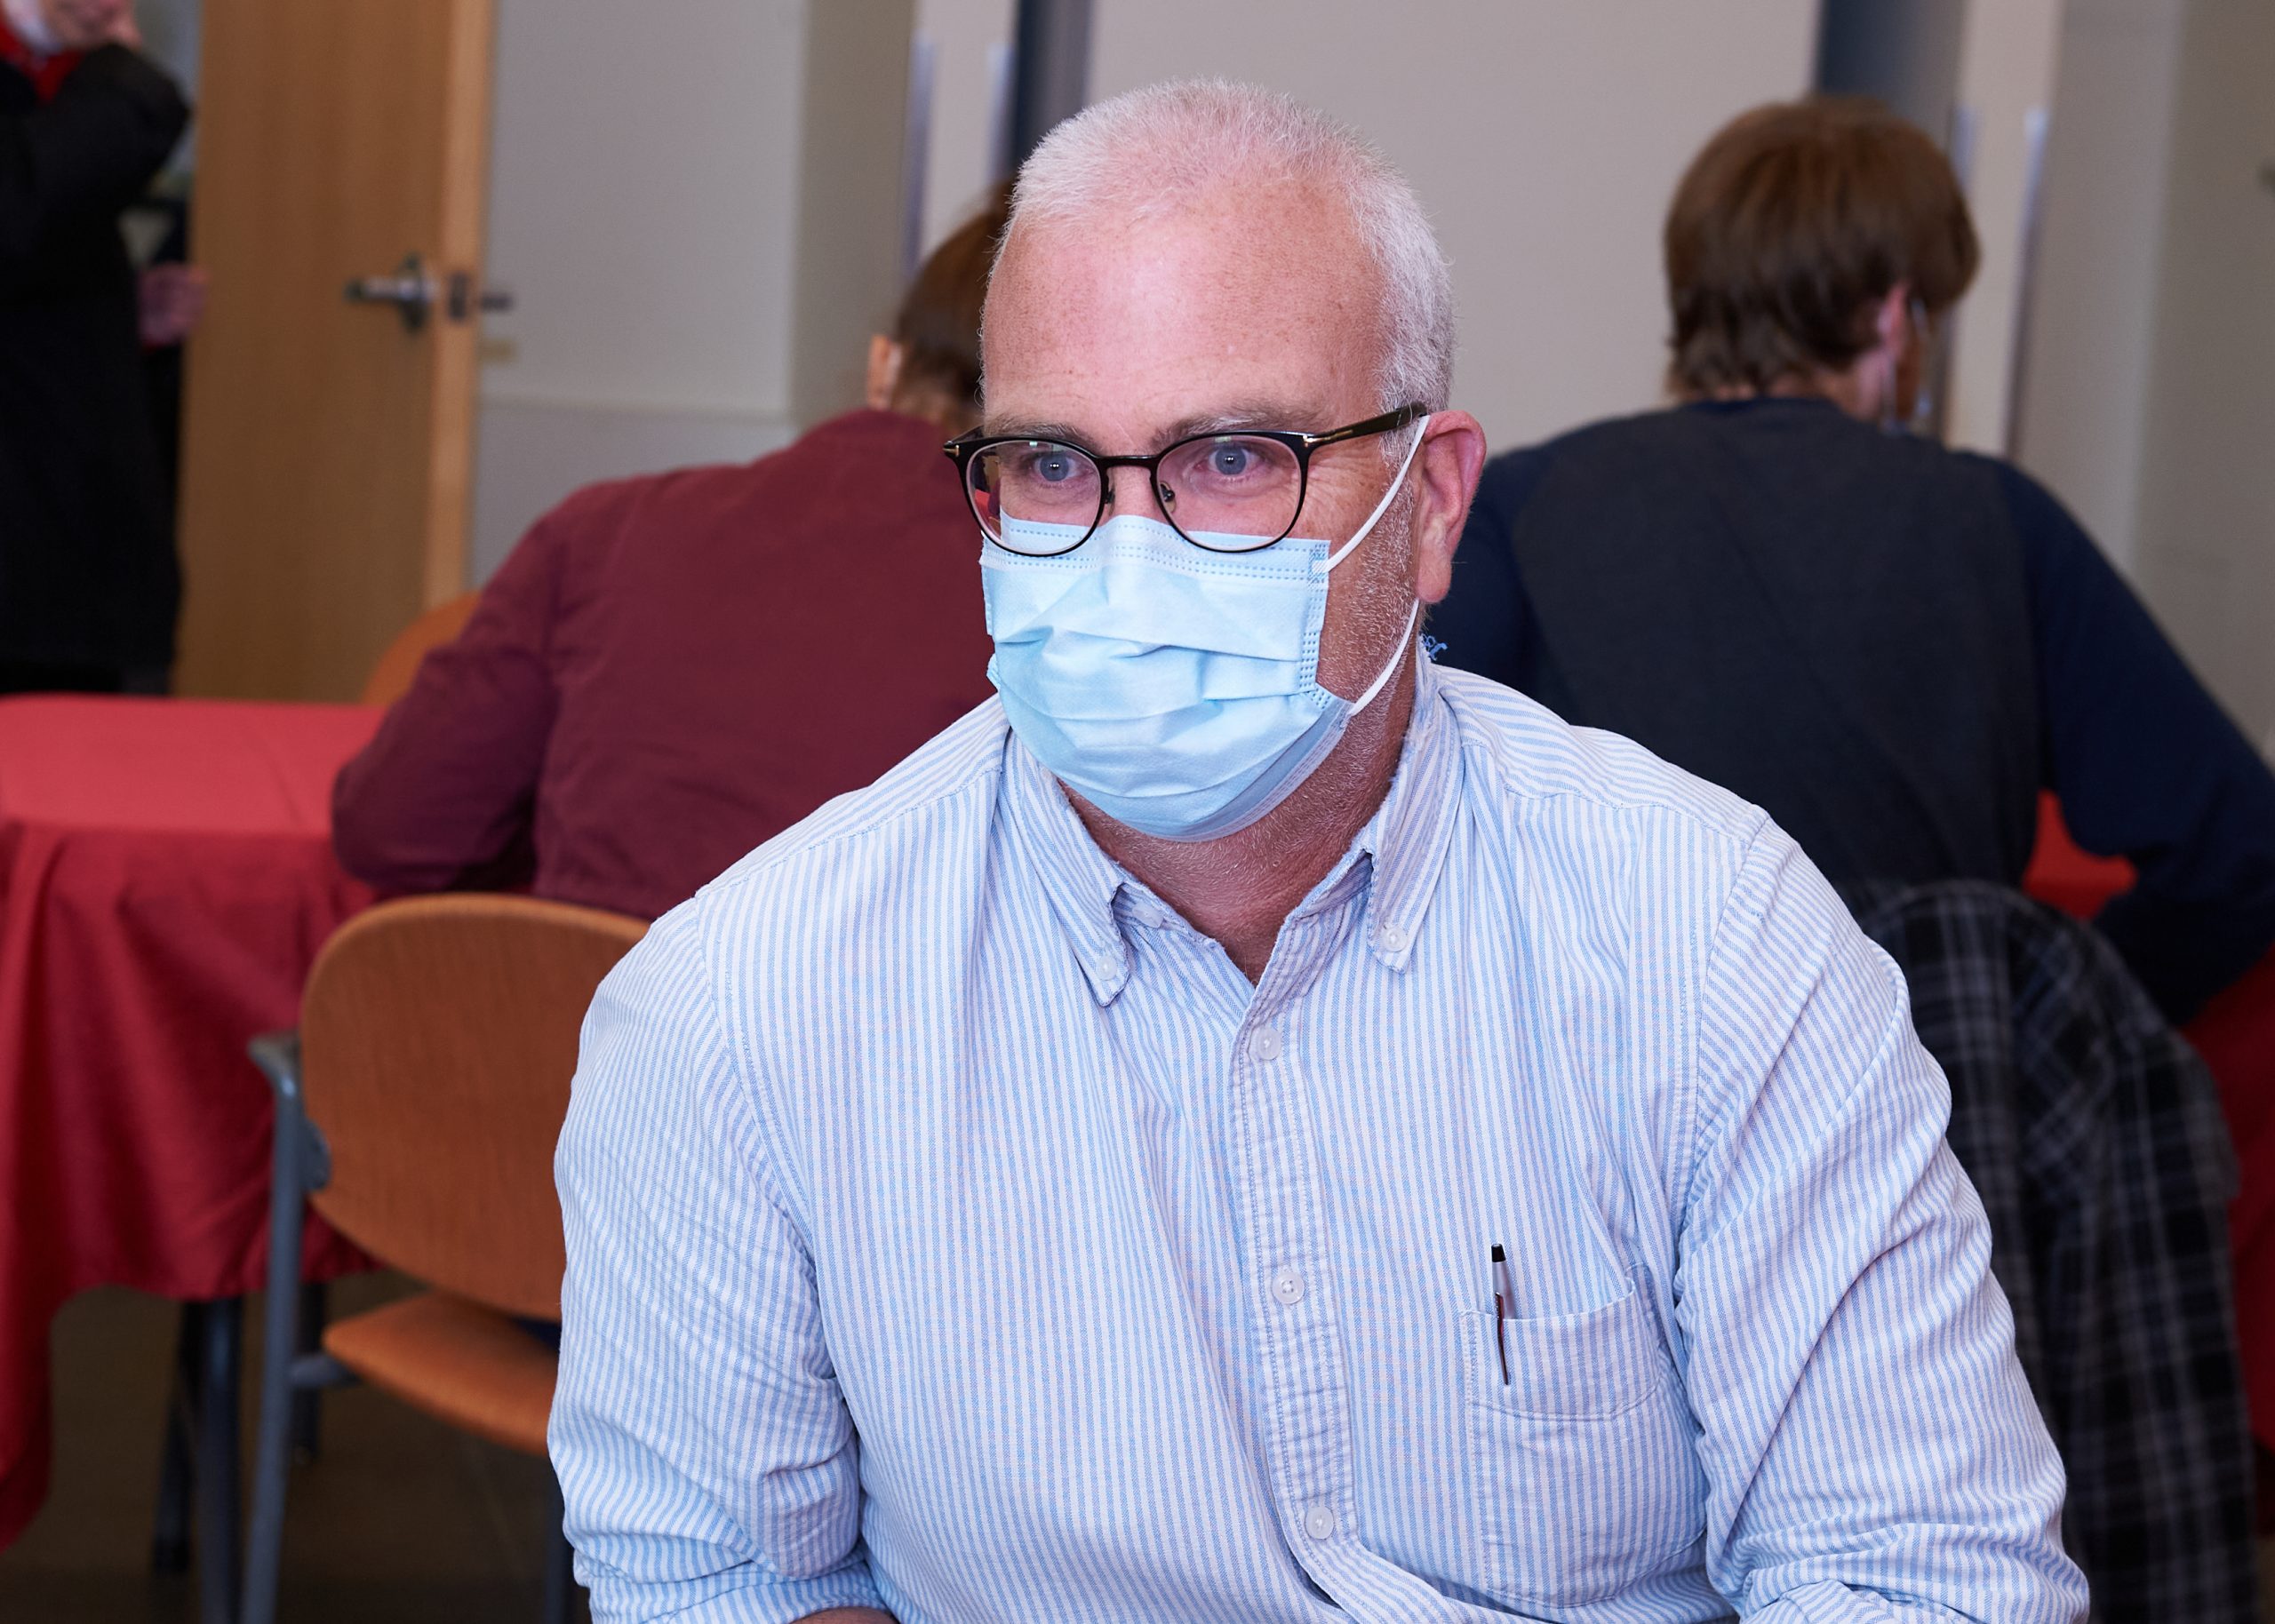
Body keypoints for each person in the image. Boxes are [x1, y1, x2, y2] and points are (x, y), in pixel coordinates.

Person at [551, 81, 2086, 1622]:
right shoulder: (739, 1012)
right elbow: (722, 1580)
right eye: (1053, 466)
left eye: (1232, 460)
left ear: (1429, 505)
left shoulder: (1713, 941)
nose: (1125, 552)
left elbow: (1923, 1571)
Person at [1433, 97, 2275, 1030]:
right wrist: (2044, 1013)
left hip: (1614, 1098)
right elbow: (2239, 851)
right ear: (1894, 319)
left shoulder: (1518, 506)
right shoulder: (1998, 523)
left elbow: (1410, 821)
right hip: (1930, 1116)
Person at [330, 188, 1010, 923]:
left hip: (574, 1025)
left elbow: (395, 830)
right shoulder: (1062, 597)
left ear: (884, 368)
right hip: (872, 1030)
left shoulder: (607, 528)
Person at [1, 0, 198, 694]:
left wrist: (117, 314)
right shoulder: (100, 83)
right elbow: (18, 204)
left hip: (75, 550)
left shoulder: (58, 69)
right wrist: (131, 91)